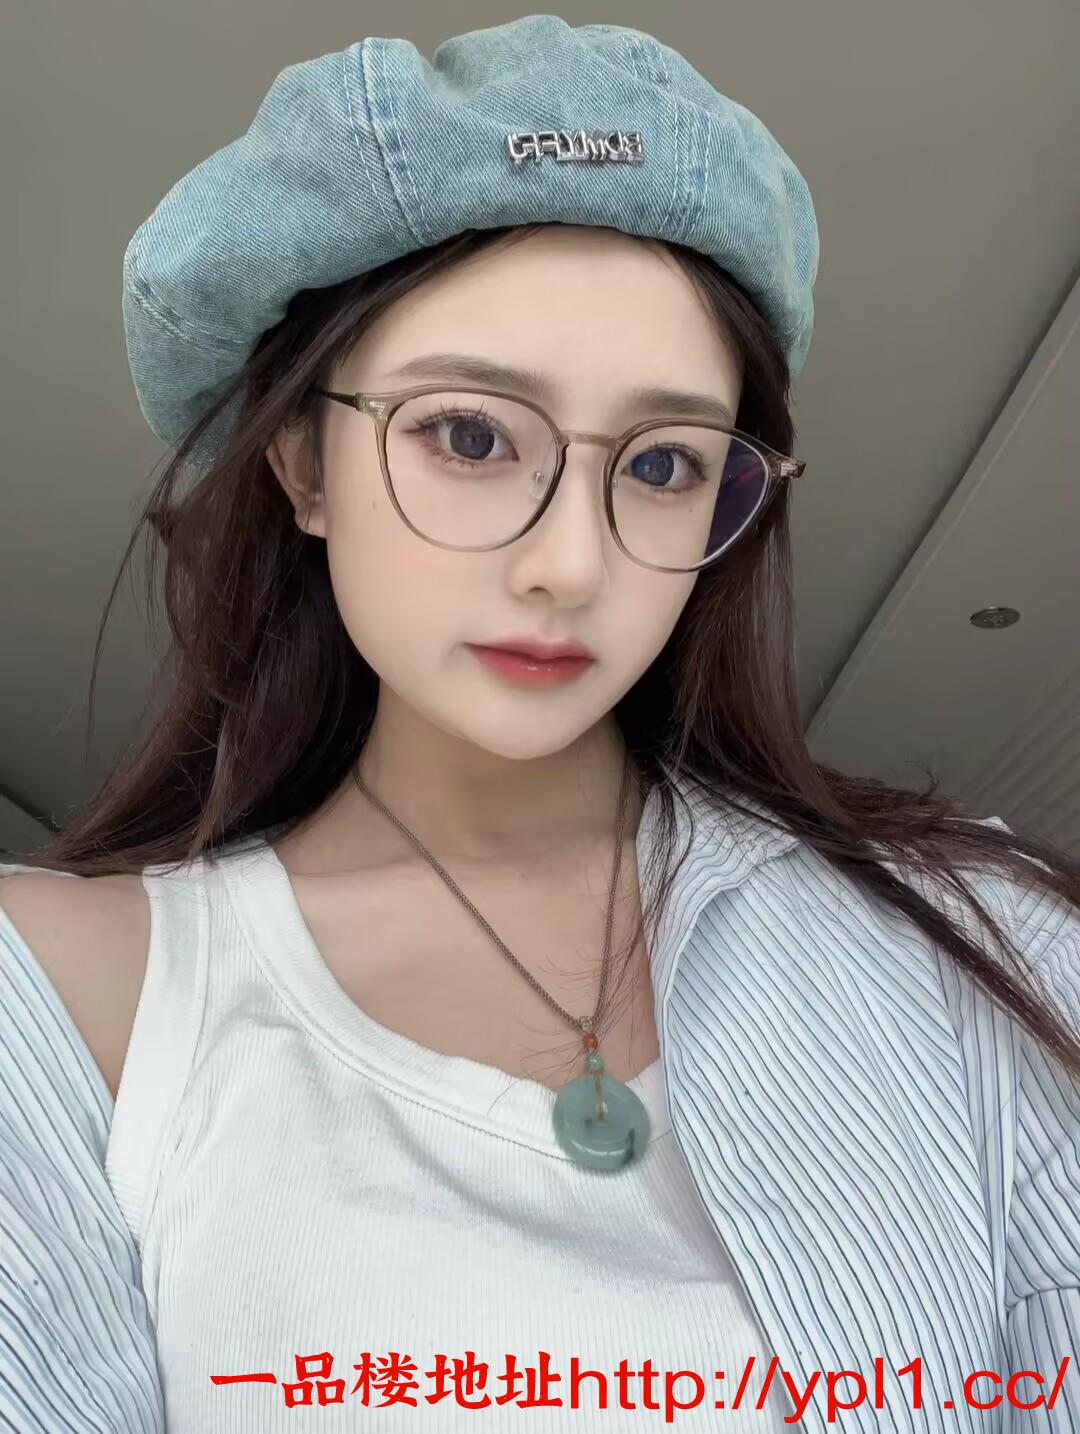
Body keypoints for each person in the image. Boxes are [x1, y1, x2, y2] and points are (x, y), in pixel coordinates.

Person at [2, 15, 1079, 1433]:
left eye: (663, 463)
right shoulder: (77, 1001)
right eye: (470, 435)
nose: (571, 562)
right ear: (301, 463)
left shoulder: (982, 937)